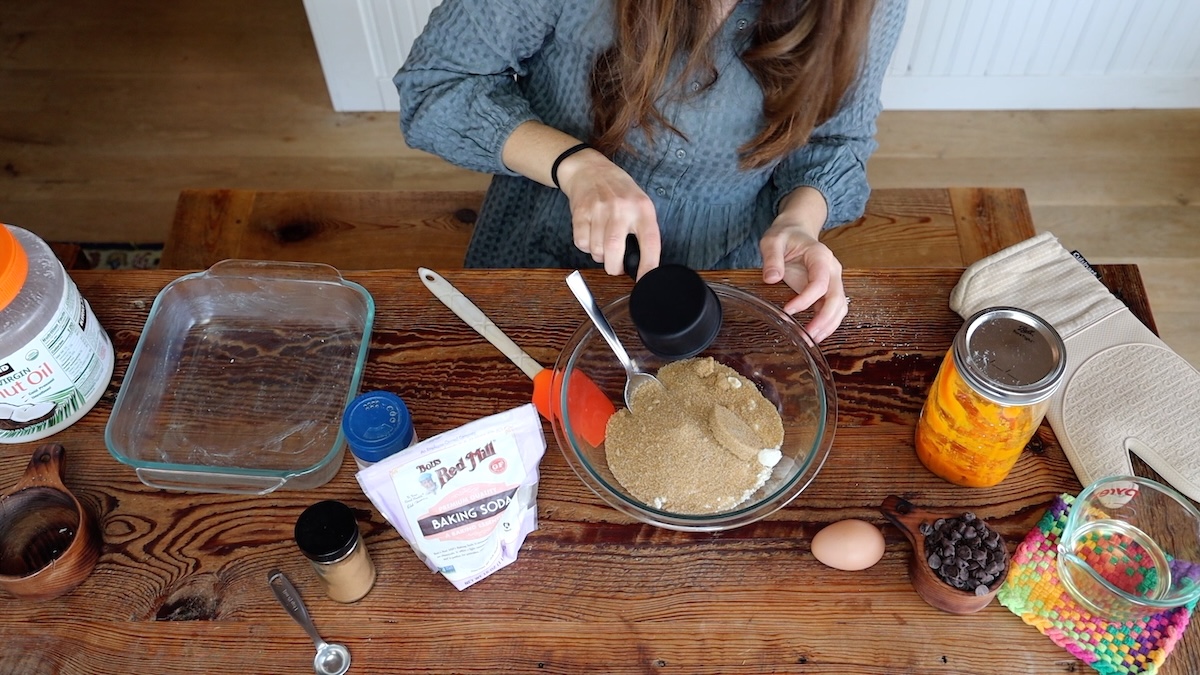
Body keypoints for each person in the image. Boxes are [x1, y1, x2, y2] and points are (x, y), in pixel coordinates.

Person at [396, 0, 906, 342]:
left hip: (729, 274)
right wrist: (574, 166)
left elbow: (835, 139)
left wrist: (799, 221)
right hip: (541, 248)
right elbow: (438, 85)